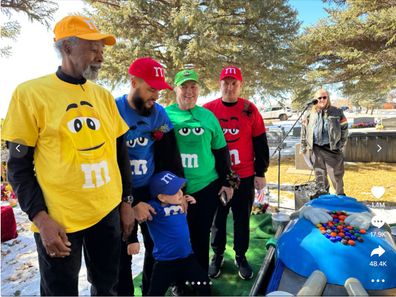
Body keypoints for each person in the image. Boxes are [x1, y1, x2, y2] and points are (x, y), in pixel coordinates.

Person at [2, 16, 135, 296]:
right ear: (66, 48)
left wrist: (125, 202)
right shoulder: (30, 94)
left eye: (102, 49)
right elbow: (18, 167)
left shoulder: (103, 96)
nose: (100, 56)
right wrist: (40, 218)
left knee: (107, 287)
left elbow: (119, 153)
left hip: (106, 212)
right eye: (93, 48)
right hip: (59, 222)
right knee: (60, 292)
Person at [115, 57, 183, 296]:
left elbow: (170, 153)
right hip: (119, 193)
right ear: (133, 82)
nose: (156, 96)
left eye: (159, 90)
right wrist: (125, 202)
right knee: (123, 250)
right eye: (151, 89)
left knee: (157, 248)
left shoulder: (159, 114)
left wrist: (175, 188)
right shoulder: (113, 110)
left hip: (149, 188)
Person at [204, 66, 270, 280]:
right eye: (226, 82)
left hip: (245, 175)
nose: (230, 87)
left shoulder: (250, 109)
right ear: (219, 84)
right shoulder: (208, 110)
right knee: (218, 219)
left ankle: (240, 256)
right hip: (218, 176)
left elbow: (260, 142)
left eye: (234, 83)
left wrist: (261, 171)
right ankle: (217, 255)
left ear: (240, 86)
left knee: (242, 219)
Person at [166, 69, 234, 275]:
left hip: (206, 188)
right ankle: (179, 282)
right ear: (175, 89)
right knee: (176, 237)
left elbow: (221, 151)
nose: (189, 91)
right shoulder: (165, 115)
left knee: (200, 237)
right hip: (174, 191)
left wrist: (228, 182)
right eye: (184, 86)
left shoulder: (208, 116)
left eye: (193, 86)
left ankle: (200, 281)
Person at [142, 171, 211, 296]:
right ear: (161, 197)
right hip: (165, 263)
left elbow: (188, 219)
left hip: (187, 257)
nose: (180, 192)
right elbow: (138, 213)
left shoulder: (180, 202)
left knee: (204, 283)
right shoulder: (152, 209)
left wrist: (192, 203)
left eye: (180, 189)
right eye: (174, 191)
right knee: (155, 293)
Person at [300, 88, 348, 196]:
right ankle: (323, 198)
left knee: (336, 176)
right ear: (315, 99)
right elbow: (304, 131)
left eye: (324, 97)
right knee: (319, 176)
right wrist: (303, 147)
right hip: (315, 149)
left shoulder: (337, 112)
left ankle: (340, 198)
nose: (322, 99)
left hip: (332, 149)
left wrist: (340, 144)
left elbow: (344, 129)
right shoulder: (309, 114)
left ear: (328, 98)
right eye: (319, 97)